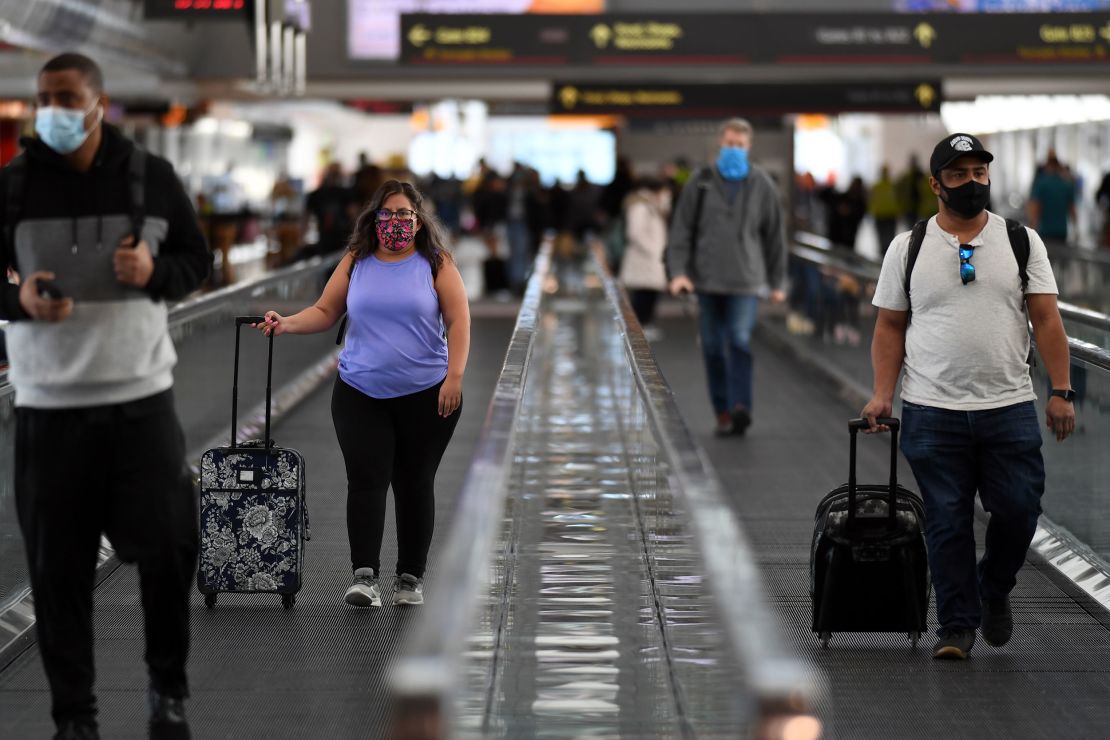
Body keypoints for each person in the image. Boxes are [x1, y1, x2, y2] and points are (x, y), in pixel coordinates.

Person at [0, 53, 210, 739]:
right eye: (42, 98)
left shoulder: (152, 178)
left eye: (64, 96)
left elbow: (196, 265)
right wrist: (18, 298)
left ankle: (166, 691)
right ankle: (74, 718)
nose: (50, 110)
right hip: (46, 407)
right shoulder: (14, 186)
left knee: (171, 547)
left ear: (98, 102)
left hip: (139, 401)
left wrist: (154, 272)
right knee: (56, 574)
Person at [862, 133, 1076, 661]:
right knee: (947, 519)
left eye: (978, 173)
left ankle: (994, 587)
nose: (971, 183)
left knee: (1019, 511)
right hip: (933, 409)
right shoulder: (907, 247)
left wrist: (1062, 391)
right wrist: (882, 395)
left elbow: (1047, 320)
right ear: (936, 184)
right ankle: (956, 626)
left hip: (1008, 407)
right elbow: (890, 326)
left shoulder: (1021, 242)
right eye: (957, 175)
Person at [254, 180, 469, 609]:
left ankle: (409, 578)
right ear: (374, 219)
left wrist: (455, 376)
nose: (396, 223)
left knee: (413, 482)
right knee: (366, 480)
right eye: (387, 215)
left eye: (405, 215)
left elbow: (459, 319)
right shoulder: (357, 261)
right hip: (359, 390)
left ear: (418, 220)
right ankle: (364, 576)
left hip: (427, 393)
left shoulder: (435, 262)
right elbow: (324, 311)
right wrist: (285, 322)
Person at [666, 117, 787, 437]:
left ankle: (740, 407)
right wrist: (678, 272)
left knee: (738, 339)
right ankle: (722, 410)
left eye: (740, 145)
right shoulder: (700, 182)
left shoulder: (762, 184)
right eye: (729, 144)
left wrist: (777, 283)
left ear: (748, 147)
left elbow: (775, 236)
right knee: (712, 347)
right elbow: (681, 230)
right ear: (720, 144)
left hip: (746, 280)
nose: (734, 149)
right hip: (705, 280)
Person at [618, 177, 671, 340]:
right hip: (644, 259)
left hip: (650, 259)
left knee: (649, 293)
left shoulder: (650, 206)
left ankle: (645, 324)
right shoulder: (640, 207)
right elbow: (635, 233)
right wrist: (654, 250)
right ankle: (640, 326)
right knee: (643, 294)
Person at [304, 162, 357, 256]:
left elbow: (353, 215)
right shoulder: (316, 195)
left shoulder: (344, 193)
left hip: (341, 239)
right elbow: (305, 218)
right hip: (328, 239)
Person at [1028, 150, 1076, 247]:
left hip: (1045, 231)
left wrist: (1031, 229)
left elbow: (1035, 208)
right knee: (1062, 260)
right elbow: (1072, 209)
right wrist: (1076, 228)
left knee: (1046, 259)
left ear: (1047, 165)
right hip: (1062, 231)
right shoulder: (1066, 184)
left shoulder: (1041, 184)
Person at [869, 164, 901, 255]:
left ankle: (886, 257)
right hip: (883, 215)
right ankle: (884, 257)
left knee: (886, 239)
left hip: (888, 215)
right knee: (884, 239)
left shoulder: (891, 186)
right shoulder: (889, 186)